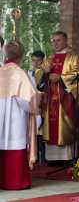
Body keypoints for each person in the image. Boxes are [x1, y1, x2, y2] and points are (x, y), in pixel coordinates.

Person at [0, 40, 39, 190]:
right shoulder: (20, 74)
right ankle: (15, 182)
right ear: (21, 56)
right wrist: (36, 107)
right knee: (14, 144)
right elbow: (27, 100)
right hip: (14, 118)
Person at [41, 31, 79, 164]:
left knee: (65, 125)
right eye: (53, 40)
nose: (55, 43)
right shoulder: (49, 58)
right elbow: (41, 80)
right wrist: (46, 73)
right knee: (51, 125)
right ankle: (52, 159)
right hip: (50, 98)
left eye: (58, 40)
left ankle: (67, 158)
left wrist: (61, 78)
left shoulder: (74, 57)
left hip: (65, 98)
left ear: (66, 40)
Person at [28, 50, 46, 164]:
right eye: (33, 60)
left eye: (38, 60)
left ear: (42, 60)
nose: (35, 63)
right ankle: (35, 157)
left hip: (41, 104)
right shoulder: (30, 72)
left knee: (41, 133)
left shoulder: (44, 73)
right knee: (34, 132)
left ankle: (42, 159)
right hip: (32, 103)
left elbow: (41, 88)